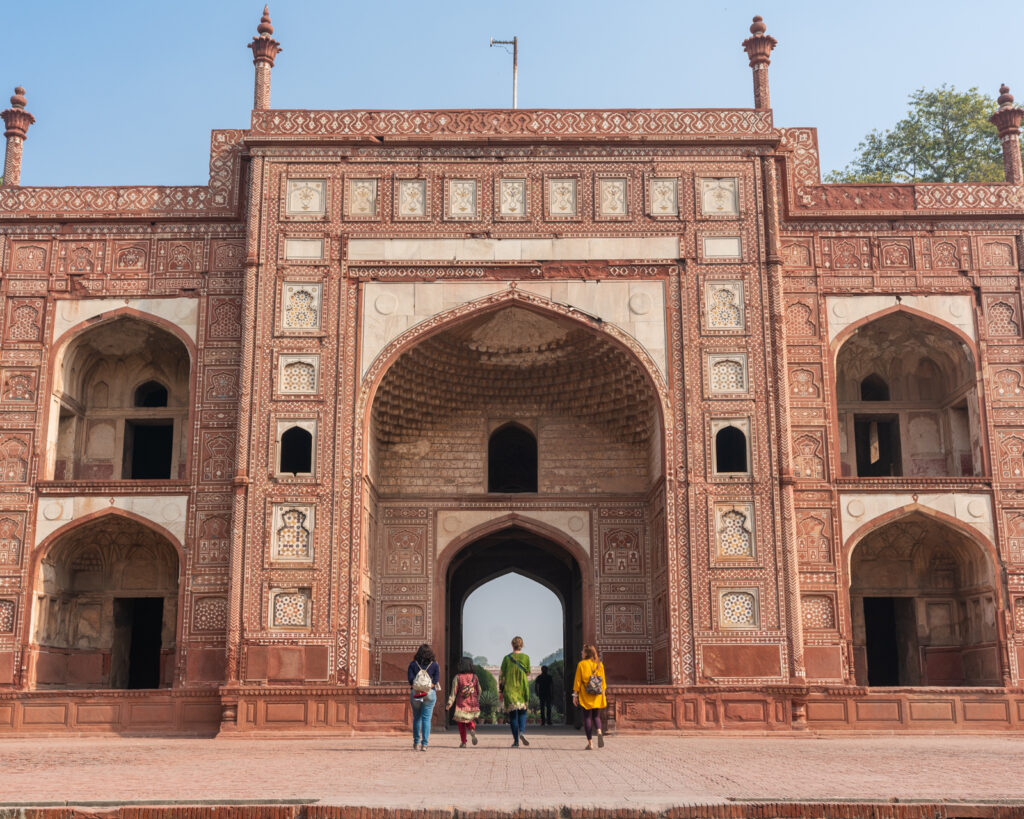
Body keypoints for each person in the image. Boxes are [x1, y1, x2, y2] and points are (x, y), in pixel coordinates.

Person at [572, 643, 607, 750]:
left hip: (586, 694)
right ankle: (599, 731)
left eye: (582, 651)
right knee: (596, 716)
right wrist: (603, 694)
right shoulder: (599, 664)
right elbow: (603, 682)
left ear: (586, 653)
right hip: (597, 694)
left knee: (587, 717)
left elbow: (577, 681)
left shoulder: (581, 664)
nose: (581, 652)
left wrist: (575, 695)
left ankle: (590, 743)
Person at [498, 635, 531, 748]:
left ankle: (516, 741)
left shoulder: (507, 658)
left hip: (510, 689)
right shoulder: (526, 657)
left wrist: (500, 689)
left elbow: (501, 676)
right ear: (521, 645)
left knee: (513, 716)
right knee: (522, 713)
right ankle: (522, 732)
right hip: (522, 689)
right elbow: (527, 672)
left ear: (512, 645)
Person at [407, 643, 440, 751]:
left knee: (417, 718)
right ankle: (424, 744)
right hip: (428, 693)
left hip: (417, 693)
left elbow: (411, 680)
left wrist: (419, 689)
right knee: (426, 719)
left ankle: (416, 743)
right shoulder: (434, 665)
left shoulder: (413, 664)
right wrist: (427, 688)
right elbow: (436, 679)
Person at [446, 655, 481, 748]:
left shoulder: (458, 677)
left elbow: (453, 692)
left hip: (461, 703)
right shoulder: (475, 677)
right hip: (473, 702)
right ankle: (472, 729)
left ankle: (464, 742)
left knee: (461, 723)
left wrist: (450, 703)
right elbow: (479, 690)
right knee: (470, 719)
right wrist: (477, 699)